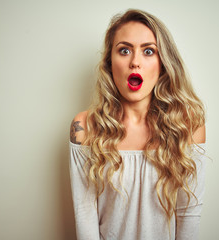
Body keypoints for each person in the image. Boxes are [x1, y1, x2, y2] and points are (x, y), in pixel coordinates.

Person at [69, 9, 206, 240]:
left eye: (148, 51)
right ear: (110, 63)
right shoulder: (84, 127)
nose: (135, 62)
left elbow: (189, 214)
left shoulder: (189, 125)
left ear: (163, 63)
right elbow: (84, 214)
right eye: (124, 50)